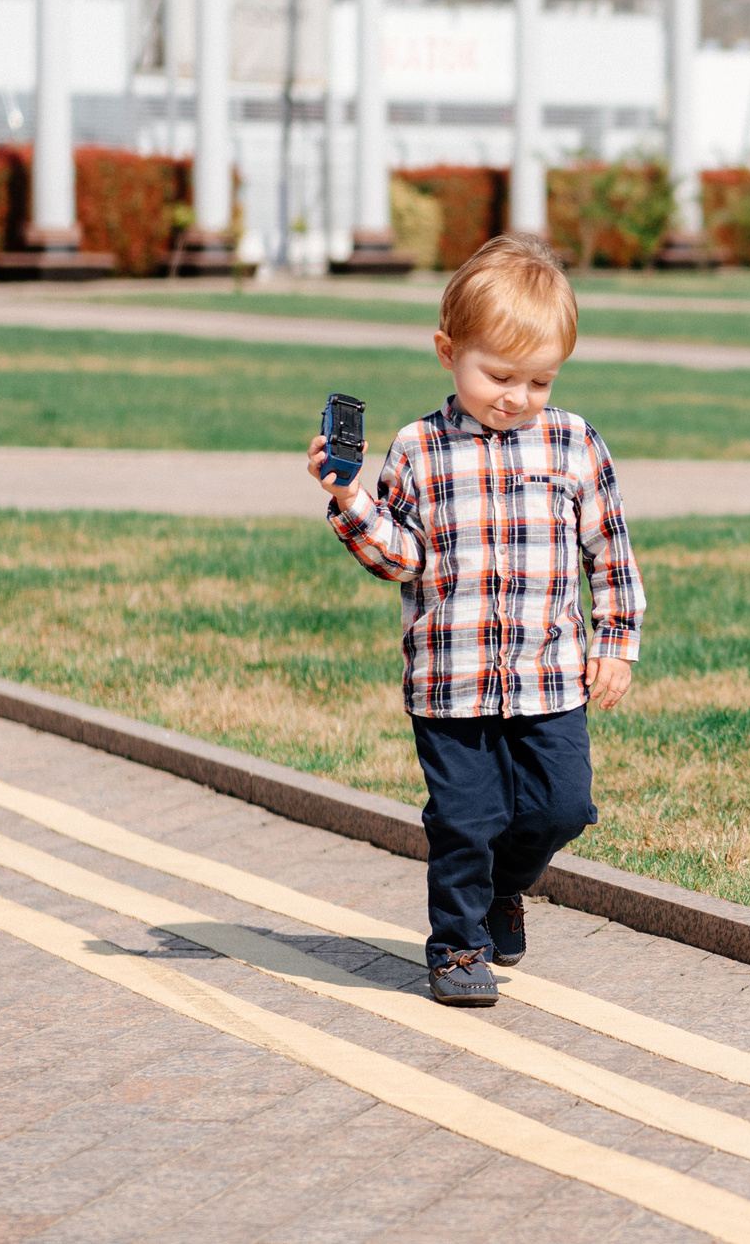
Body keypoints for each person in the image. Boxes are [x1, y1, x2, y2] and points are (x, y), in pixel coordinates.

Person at [305, 233, 643, 1008]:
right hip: (451, 681)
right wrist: (351, 499)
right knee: (467, 819)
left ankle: (502, 888)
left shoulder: (574, 442)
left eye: (539, 379)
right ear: (448, 352)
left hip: (548, 676)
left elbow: (610, 549)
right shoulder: (417, 448)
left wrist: (617, 641)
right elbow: (402, 557)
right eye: (498, 375)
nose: (517, 396)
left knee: (564, 806)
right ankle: (457, 948)